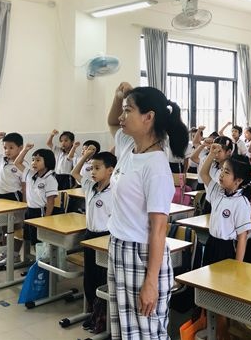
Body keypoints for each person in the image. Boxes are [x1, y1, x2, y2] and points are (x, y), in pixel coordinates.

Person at [106, 82, 188, 340]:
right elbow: (112, 122)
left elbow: (159, 229)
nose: (122, 116)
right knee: (125, 330)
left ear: (148, 117)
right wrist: (119, 97)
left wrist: (151, 282)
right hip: (118, 246)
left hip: (141, 254)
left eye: (128, 110)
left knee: (146, 332)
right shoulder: (127, 147)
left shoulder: (156, 166)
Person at [71, 146, 116, 332]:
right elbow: (74, 173)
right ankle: (94, 312)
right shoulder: (90, 186)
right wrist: (86, 156)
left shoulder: (115, 191)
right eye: (91, 168)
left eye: (97, 168)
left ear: (110, 170)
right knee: (89, 277)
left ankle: (103, 316)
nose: (93, 172)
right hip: (90, 235)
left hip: (105, 238)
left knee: (102, 277)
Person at [200, 144, 251, 265]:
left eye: (227, 172)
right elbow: (204, 174)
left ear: (238, 180)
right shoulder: (217, 191)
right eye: (222, 170)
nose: (221, 174)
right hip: (211, 242)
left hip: (226, 248)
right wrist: (211, 154)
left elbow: (242, 237)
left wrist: (238, 266)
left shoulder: (241, 203)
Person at [0, 132, 26, 266]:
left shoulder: (21, 164)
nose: (7, 150)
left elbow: (25, 186)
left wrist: (24, 203)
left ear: (20, 148)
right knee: (4, 227)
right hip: (0, 196)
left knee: (16, 227)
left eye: (11, 148)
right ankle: (4, 254)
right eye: (5, 148)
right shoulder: (0, 158)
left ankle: (14, 255)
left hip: (13, 197)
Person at [14, 145, 58, 246]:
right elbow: (17, 163)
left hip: (40, 212)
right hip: (29, 210)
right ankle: (31, 255)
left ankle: (39, 256)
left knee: (39, 241)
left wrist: (46, 219)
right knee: (28, 238)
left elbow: (50, 202)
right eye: (33, 160)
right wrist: (25, 150)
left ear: (47, 162)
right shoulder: (30, 174)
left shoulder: (50, 179)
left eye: (38, 160)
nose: (34, 163)